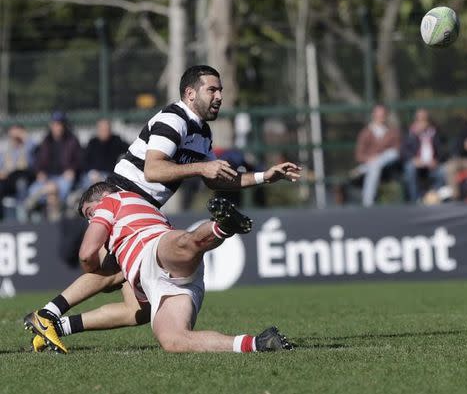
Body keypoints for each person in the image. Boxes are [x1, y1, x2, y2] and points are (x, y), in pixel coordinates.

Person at [24, 65, 302, 353]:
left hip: (143, 211)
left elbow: (215, 178)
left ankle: (56, 325)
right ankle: (47, 315)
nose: (220, 96)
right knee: (113, 271)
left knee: (139, 310)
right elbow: (154, 170)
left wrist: (264, 177)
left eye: (221, 90)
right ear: (190, 93)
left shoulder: (202, 132)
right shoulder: (174, 119)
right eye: (212, 89)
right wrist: (202, 166)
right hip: (125, 199)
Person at [73, 181, 291, 353]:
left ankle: (222, 226)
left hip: (151, 249)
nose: (91, 219)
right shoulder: (137, 205)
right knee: (173, 340)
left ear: (102, 197)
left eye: (89, 212)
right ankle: (259, 343)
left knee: (186, 244)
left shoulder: (111, 201)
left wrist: (95, 270)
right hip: (159, 282)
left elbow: (86, 254)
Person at [24, 111, 81, 221]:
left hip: (63, 177)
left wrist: (72, 170)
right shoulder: (46, 140)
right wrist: (39, 172)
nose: (57, 127)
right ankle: (52, 221)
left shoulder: (72, 140)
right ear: (51, 125)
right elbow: (38, 161)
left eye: (60, 124)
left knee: (56, 191)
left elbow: (80, 161)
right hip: (47, 178)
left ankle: (42, 195)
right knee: (34, 190)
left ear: (64, 125)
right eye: (55, 124)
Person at [353, 104, 401, 207]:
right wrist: (370, 159)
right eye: (378, 115)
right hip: (372, 165)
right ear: (373, 115)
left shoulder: (392, 131)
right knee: (375, 167)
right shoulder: (365, 133)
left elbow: (397, 151)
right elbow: (359, 155)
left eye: (382, 115)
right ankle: (368, 203)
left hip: (389, 164)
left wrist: (377, 159)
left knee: (392, 153)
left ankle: (363, 169)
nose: (380, 117)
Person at [401, 108, 445, 202]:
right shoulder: (410, 133)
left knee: (442, 172)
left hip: (432, 164)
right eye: (419, 119)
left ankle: (432, 196)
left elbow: (442, 150)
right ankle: (415, 199)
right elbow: (404, 151)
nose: (422, 122)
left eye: (424, 119)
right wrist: (414, 159)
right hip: (417, 164)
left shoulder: (435, 133)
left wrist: (436, 160)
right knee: (410, 168)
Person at [0, 124, 36, 220]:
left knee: (21, 183)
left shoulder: (27, 148)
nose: (13, 138)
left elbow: (32, 144)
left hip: (24, 178)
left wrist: (21, 134)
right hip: (8, 180)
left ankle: (22, 217)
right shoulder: (6, 151)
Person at [80, 119, 129, 188]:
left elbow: (129, 150)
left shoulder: (116, 141)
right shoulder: (92, 142)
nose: (105, 132)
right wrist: (92, 173)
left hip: (109, 174)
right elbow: (84, 161)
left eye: (107, 129)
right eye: (102, 130)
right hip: (92, 174)